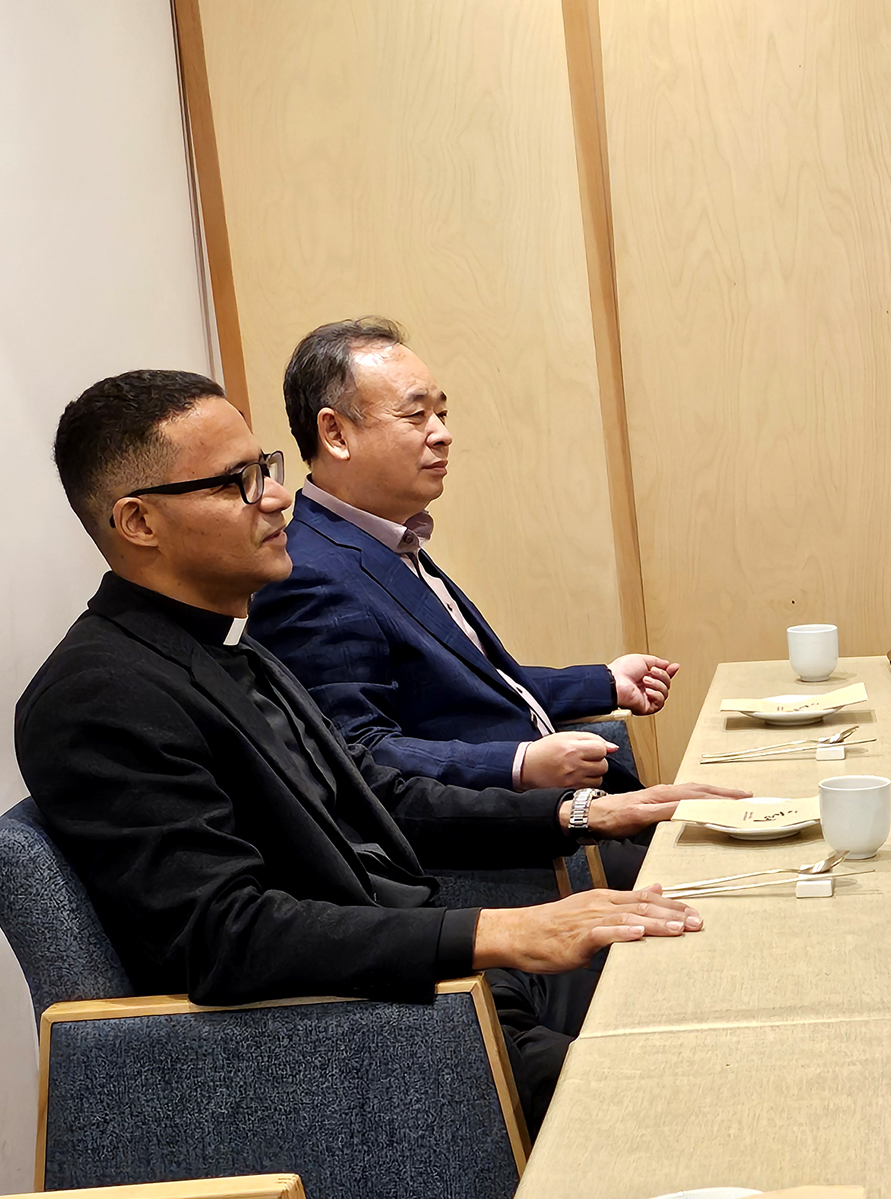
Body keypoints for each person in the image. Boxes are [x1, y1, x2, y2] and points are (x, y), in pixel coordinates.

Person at [21, 369, 747, 1141]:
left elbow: (380, 794)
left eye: (263, 465)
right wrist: (495, 931)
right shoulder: (99, 697)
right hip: (363, 1040)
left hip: (439, 983)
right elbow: (227, 935)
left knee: (717, 957)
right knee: (693, 1093)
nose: (276, 496)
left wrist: (584, 813)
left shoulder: (230, 651)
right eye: (239, 482)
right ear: (138, 522)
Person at [248, 316, 674, 795]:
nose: (442, 434)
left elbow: (466, 688)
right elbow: (356, 753)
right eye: (415, 416)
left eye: (442, 415)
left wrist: (606, 682)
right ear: (336, 434)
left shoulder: (386, 539)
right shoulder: (310, 575)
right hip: (495, 849)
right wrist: (519, 763)